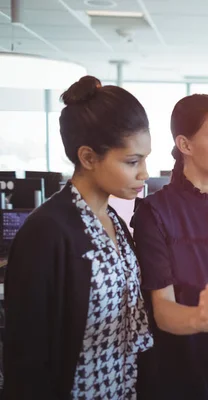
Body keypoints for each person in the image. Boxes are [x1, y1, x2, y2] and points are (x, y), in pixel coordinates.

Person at [3, 76, 153, 399]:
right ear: (87, 158)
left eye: (145, 158)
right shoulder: (46, 233)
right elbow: (25, 356)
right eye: (132, 161)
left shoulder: (113, 220)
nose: (145, 173)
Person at [131, 94, 208, 400]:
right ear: (185, 145)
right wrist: (201, 316)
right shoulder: (154, 212)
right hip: (179, 369)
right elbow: (162, 310)